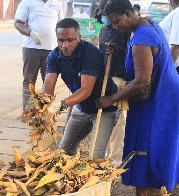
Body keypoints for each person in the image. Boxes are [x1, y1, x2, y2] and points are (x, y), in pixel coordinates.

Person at [95, 0, 179, 195]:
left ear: (128, 13)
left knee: (147, 143)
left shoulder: (141, 39)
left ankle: (150, 189)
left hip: (160, 96)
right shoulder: (148, 24)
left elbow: (141, 81)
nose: (115, 26)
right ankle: (155, 186)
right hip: (168, 91)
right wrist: (121, 53)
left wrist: (111, 99)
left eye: (117, 21)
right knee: (157, 142)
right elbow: (148, 60)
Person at [43, 18, 119, 158]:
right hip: (81, 108)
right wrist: (43, 105)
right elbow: (48, 85)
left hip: (104, 109)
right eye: (61, 40)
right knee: (64, 152)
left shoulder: (90, 53)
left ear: (79, 37)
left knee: (94, 156)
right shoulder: (54, 56)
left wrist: (62, 104)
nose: (65, 45)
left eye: (70, 40)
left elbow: (86, 89)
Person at [95, 0, 128, 165]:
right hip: (105, 79)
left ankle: (115, 159)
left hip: (119, 78)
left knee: (119, 120)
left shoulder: (124, 30)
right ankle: (105, 156)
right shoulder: (103, 30)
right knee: (105, 118)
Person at [14, 0, 63, 111]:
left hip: (52, 50)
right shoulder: (27, 3)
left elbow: (61, 26)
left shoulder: (57, 4)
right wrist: (30, 33)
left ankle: (45, 112)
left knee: (49, 82)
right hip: (31, 48)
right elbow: (18, 23)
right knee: (29, 81)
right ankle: (28, 112)